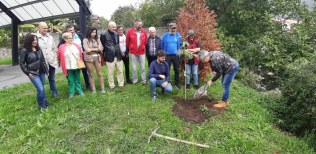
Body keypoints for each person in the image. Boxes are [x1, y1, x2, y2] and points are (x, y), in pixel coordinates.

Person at [20, 34, 49, 110]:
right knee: (40, 89)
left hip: (41, 71)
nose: (35, 41)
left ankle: (44, 103)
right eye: (33, 40)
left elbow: (42, 61)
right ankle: (42, 106)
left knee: (41, 88)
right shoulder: (24, 50)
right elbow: (22, 64)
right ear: (29, 41)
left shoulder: (39, 49)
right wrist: (28, 73)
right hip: (33, 73)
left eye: (36, 40)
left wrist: (46, 71)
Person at [58, 24, 91, 90]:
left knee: (85, 71)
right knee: (73, 73)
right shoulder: (64, 38)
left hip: (81, 56)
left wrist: (85, 51)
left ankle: (88, 85)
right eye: (70, 30)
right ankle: (75, 87)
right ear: (67, 31)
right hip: (71, 59)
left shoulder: (79, 35)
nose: (72, 31)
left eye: (73, 30)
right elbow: (60, 48)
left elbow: (84, 43)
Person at [58, 32, 85, 98]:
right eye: (69, 38)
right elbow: (59, 56)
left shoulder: (76, 45)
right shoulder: (61, 47)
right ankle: (71, 93)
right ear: (65, 39)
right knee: (70, 81)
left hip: (76, 65)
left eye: (71, 38)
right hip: (68, 67)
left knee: (77, 80)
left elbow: (80, 54)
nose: (71, 39)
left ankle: (80, 91)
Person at [36, 22, 58, 97]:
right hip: (41, 63)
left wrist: (54, 58)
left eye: (46, 28)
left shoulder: (50, 37)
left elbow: (54, 49)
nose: (46, 29)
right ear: (39, 28)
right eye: (44, 28)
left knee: (51, 78)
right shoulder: (35, 37)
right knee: (42, 80)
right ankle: (42, 96)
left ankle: (54, 93)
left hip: (51, 61)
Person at [100, 21, 124, 90]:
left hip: (118, 55)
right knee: (110, 72)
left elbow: (117, 44)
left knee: (120, 70)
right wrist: (108, 51)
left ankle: (121, 84)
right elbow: (103, 44)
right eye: (113, 27)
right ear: (109, 27)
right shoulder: (103, 34)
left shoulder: (116, 34)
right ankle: (111, 85)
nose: (115, 28)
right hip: (109, 56)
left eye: (115, 27)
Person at [83, 27, 105, 94]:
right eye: (92, 32)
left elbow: (101, 48)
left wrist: (92, 49)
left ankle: (102, 89)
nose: (94, 34)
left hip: (97, 57)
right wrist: (96, 48)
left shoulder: (97, 39)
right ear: (89, 32)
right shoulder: (85, 40)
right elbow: (87, 50)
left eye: (95, 32)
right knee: (91, 74)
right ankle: (94, 90)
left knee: (100, 73)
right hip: (88, 59)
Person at [126, 19, 148, 85]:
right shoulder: (130, 31)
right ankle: (135, 81)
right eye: (139, 25)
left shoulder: (144, 32)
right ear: (135, 25)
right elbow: (127, 42)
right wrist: (131, 48)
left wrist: (143, 47)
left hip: (141, 52)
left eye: (141, 25)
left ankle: (144, 81)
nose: (140, 26)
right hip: (133, 53)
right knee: (134, 68)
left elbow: (146, 42)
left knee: (143, 68)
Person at [161, 22, 182, 89]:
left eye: (175, 28)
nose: (174, 30)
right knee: (167, 69)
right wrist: (163, 54)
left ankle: (177, 83)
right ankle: (167, 82)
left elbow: (181, 44)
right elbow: (162, 45)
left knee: (177, 69)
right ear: (169, 28)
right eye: (172, 28)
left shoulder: (178, 35)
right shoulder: (165, 36)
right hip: (167, 56)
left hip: (176, 55)